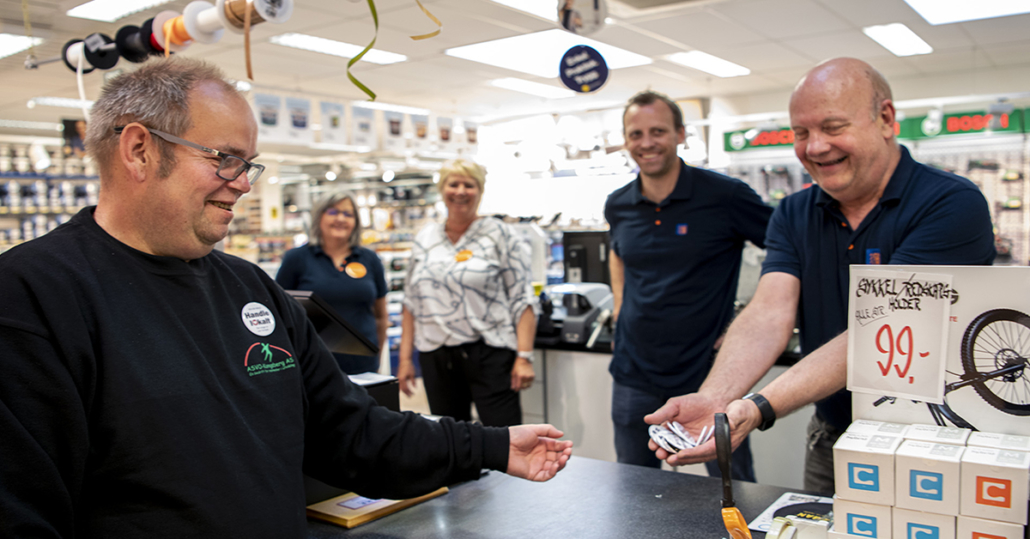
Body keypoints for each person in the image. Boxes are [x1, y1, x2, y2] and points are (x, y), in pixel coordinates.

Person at [0, 58, 572, 538]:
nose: (242, 183)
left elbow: (353, 435)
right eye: (224, 158)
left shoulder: (251, 289)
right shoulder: (32, 296)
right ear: (139, 150)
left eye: (248, 164)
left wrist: (490, 445)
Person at [645, 58, 995, 494]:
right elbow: (768, 313)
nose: (815, 147)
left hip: (931, 442)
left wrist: (759, 407)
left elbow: (885, 329)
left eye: (833, 127)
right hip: (832, 439)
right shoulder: (794, 212)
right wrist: (716, 398)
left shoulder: (950, 204)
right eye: (801, 132)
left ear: (885, 119)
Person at [605, 90, 772, 479]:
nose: (646, 143)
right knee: (633, 484)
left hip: (710, 373)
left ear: (681, 134)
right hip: (635, 371)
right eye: (636, 134)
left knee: (731, 483)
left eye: (658, 131)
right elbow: (617, 252)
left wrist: (749, 319)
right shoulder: (618, 204)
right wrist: (619, 307)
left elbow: (788, 251)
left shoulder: (725, 196)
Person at [396, 159, 537, 427]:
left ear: (480, 191)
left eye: (469, 185)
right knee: (449, 439)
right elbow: (411, 303)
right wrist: (404, 360)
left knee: (503, 436)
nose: (460, 191)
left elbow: (522, 298)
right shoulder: (425, 238)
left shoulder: (501, 235)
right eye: (453, 184)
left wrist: (524, 356)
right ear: (442, 189)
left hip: (489, 353)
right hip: (436, 356)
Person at [276, 191, 387, 374]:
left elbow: (381, 316)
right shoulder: (296, 259)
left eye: (348, 214)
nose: (341, 219)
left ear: (356, 221)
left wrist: (378, 356)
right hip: (312, 366)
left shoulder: (370, 259)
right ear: (319, 217)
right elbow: (280, 313)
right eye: (333, 212)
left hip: (363, 366)